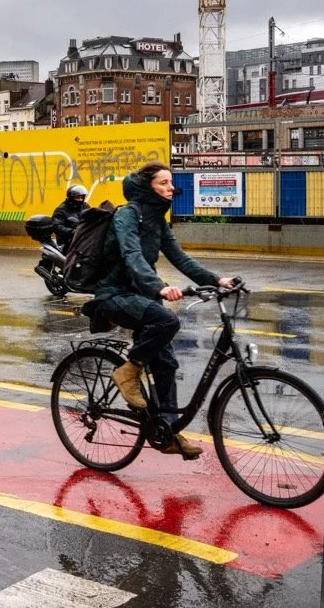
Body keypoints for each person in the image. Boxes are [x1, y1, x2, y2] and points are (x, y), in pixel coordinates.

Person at [82, 162, 233, 459]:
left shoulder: (158, 221)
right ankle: (127, 373)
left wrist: (216, 280)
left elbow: (180, 258)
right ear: (146, 187)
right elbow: (131, 256)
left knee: (166, 364)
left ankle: (167, 432)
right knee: (167, 320)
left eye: (171, 183)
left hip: (142, 296)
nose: (171, 188)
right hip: (115, 295)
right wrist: (159, 287)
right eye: (163, 183)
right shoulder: (128, 214)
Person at [52, 184, 88, 252]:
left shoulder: (84, 206)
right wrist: (72, 231)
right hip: (67, 241)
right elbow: (57, 226)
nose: (80, 200)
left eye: (82, 197)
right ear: (71, 197)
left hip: (82, 239)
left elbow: (91, 217)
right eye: (77, 197)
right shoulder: (61, 210)